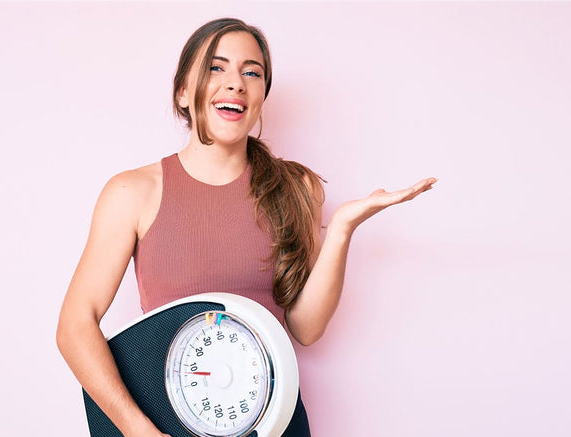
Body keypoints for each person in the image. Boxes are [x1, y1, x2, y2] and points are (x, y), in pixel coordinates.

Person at [56, 17, 436, 437]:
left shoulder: (297, 188)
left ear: (260, 98)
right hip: (169, 423)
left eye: (251, 72)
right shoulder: (132, 192)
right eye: (216, 68)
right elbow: (75, 325)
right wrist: (134, 428)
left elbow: (306, 329)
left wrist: (343, 227)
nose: (235, 83)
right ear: (183, 92)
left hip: (274, 422)